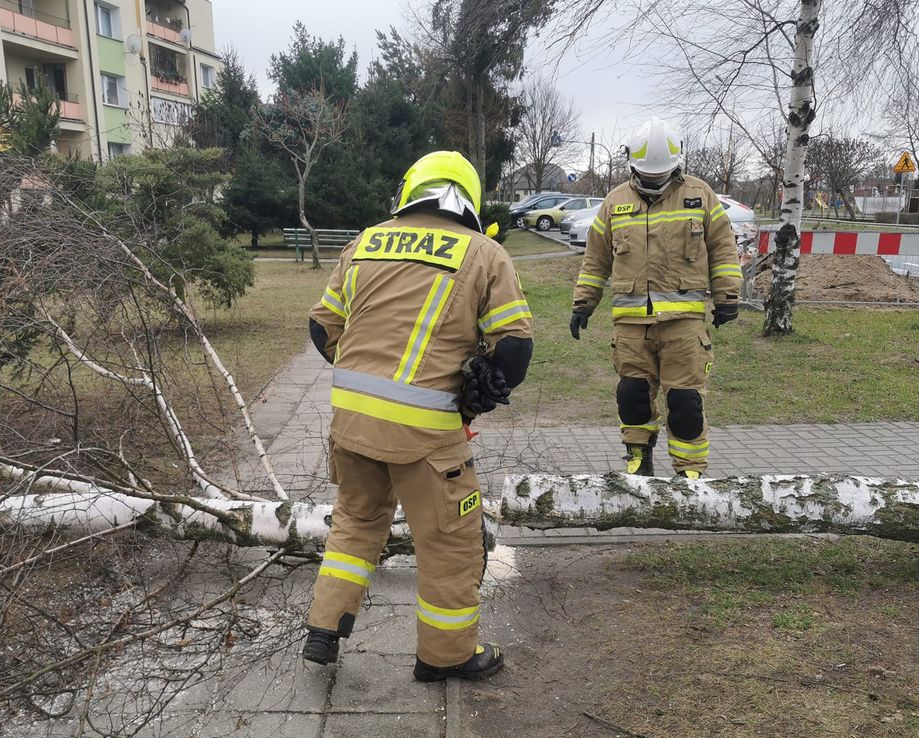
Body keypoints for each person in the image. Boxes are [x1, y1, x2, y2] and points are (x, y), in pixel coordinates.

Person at [302, 151, 533, 681]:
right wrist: (478, 389)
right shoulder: (484, 253)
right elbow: (515, 348)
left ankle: (323, 627)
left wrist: (368, 379)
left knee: (356, 524)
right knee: (451, 541)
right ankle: (445, 657)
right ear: (468, 198)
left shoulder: (365, 241)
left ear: (411, 191)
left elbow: (321, 329)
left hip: (351, 426)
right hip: (427, 438)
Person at [569, 117, 742, 478]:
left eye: (659, 175)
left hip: (684, 326)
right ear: (632, 164)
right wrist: (583, 303)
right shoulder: (615, 202)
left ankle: (689, 474)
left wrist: (728, 296)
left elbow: (723, 247)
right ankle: (638, 460)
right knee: (632, 397)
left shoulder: (700, 195)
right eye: (646, 176)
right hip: (632, 327)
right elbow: (596, 258)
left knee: (685, 403)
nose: (653, 181)